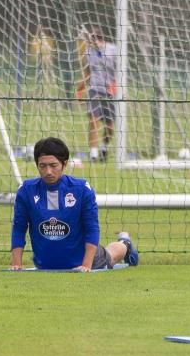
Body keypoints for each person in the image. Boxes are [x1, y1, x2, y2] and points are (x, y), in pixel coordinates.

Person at [10, 137, 139, 272]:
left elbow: (92, 228)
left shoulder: (81, 189)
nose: (48, 171)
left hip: (86, 259)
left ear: (64, 164)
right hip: (44, 263)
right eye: (43, 166)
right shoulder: (26, 190)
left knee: (110, 255)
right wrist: (17, 264)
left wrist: (87, 265)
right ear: (37, 165)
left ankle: (125, 243)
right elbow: (19, 228)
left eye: (53, 165)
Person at [81, 26, 118, 162]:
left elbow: (121, 70)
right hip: (94, 90)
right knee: (93, 120)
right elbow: (87, 73)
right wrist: (80, 89)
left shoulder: (113, 50)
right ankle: (93, 154)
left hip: (109, 91)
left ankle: (104, 148)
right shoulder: (88, 52)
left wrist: (115, 87)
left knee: (110, 126)